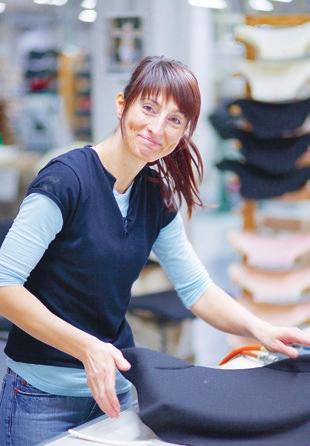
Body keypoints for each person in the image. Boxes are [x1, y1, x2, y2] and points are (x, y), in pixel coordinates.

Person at [0, 56, 309, 446]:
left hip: (117, 390)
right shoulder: (65, 181)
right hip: (41, 398)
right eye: (148, 108)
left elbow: (196, 289)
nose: (157, 127)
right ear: (121, 104)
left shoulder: (155, 195)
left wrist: (259, 329)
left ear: (185, 132)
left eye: (175, 120)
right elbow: (4, 285)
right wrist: (87, 347)